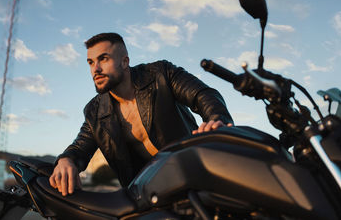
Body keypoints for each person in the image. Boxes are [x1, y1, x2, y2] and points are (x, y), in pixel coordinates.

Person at [49, 32, 233, 196]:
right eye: (91, 62)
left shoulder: (160, 73)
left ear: (124, 61)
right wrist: (67, 160)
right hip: (147, 195)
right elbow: (80, 147)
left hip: (193, 173)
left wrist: (216, 120)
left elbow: (203, 95)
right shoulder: (95, 111)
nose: (95, 69)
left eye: (103, 59)